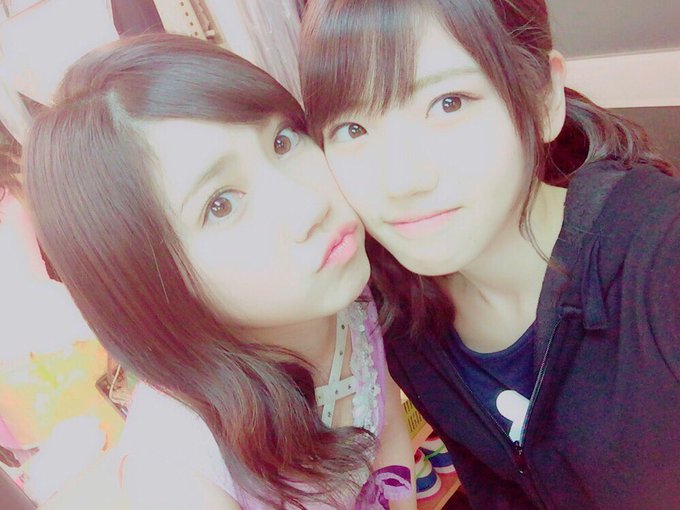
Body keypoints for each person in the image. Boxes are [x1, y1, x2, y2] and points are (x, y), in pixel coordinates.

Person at [298, 1, 680, 508]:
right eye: (352, 129)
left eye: (448, 103)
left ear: (543, 97)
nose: (400, 181)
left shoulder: (659, 258)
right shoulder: (398, 314)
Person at [23, 33, 416, 510]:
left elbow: (387, 437)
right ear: (150, 282)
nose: (311, 204)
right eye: (221, 205)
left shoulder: (344, 296)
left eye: (283, 140)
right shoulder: (180, 470)